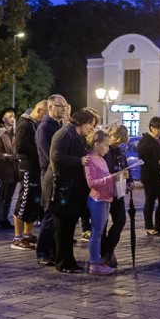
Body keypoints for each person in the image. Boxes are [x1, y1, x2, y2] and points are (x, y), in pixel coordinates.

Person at [48, 107, 98, 273]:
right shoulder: (65, 134)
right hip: (63, 189)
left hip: (72, 189)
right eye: (90, 124)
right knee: (63, 229)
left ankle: (69, 261)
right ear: (82, 122)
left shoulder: (76, 135)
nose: (91, 128)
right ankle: (62, 263)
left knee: (69, 229)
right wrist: (79, 160)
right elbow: (56, 156)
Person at [84, 128, 126, 275]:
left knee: (99, 231)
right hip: (98, 199)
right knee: (97, 233)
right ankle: (95, 263)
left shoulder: (101, 159)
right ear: (96, 144)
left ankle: (98, 261)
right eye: (106, 145)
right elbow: (92, 182)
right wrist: (110, 178)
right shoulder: (90, 160)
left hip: (106, 198)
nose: (108, 149)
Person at [35, 94, 69, 266]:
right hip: (49, 173)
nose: (63, 109)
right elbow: (49, 154)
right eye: (60, 106)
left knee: (58, 215)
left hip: (60, 174)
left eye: (65, 106)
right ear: (50, 107)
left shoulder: (60, 125)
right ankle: (42, 252)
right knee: (50, 214)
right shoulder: (44, 127)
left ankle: (54, 251)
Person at [12, 100, 47, 250]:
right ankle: (17, 237)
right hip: (27, 168)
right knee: (24, 201)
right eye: (45, 114)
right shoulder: (24, 124)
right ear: (39, 110)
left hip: (35, 168)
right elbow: (20, 146)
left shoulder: (34, 124)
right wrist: (38, 152)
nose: (45, 118)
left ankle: (28, 234)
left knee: (33, 202)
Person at [102, 124, 134, 267]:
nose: (117, 142)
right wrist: (117, 173)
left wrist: (130, 180)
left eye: (121, 141)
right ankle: (105, 253)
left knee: (120, 220)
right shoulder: (103, 149)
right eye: (116, 138)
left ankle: (109, 249)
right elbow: (101, 170)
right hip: (104, 190)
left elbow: (125, 167)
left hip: (118, 191)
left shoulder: (120, 151)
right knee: (102, 224)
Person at [137, 116, 160, 236]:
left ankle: (159, 226)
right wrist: (158, 162)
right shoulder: (145, 140)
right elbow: (143, 158)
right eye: (159, 128)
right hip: (151, 176)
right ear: (152, 127)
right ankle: (149, 227)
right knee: (150, 201)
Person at [0, 108, 19, 230]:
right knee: (2, 195)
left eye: (13, 116)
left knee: (9, 196)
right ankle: (0, 219)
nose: (12, 118)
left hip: (14, 169)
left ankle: (5, 218)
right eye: (10, 116)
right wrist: (5, 156)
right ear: (3, 118)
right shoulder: (0, 133)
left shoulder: (15, 133)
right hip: (4, 168)